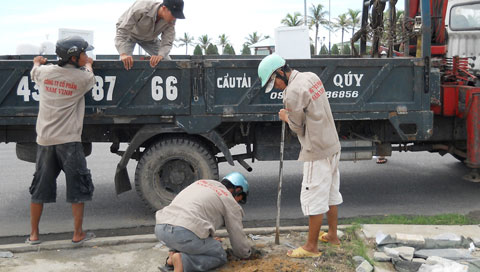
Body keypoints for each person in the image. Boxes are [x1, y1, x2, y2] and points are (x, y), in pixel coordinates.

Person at [258, 54, 343, 258]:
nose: (276, 87)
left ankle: (311, 247)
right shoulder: (311, 77)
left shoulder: (292, 92)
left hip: (316, 150)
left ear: (280, 72)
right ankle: (332, 235)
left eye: (274, 81)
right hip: (331, 143)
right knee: (330, 192)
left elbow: (297, 126)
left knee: (314, 196)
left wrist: (285, 116)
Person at [27, 36, 96, 245]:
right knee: (77, 188)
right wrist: (90, 66)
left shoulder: (44, 73)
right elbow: (90, 77)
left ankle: (34, 235)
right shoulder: (81, 79)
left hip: (45, 140)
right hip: (69, 141)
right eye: (84, 54)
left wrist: (37, 61)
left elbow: (35, 70)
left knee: (39, 188)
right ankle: (77, 234)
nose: (87, 56)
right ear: (73, 57)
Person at [155, 172, 252, 272]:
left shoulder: (201, 183)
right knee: (219, 254)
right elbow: (237, 235)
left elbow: (195, 213)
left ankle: (171, 258)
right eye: (240, 198)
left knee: (200, 244)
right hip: (183, 234)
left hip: (161, 229)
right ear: (238, 190)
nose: (237, 202)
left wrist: (208, 239)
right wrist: (245, 253)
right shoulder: (228, 199)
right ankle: (183, 261)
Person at [115, 0, 185, 70]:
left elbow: (167, 42)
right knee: (125, 63)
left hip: (150, 39)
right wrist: (123, 54)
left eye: (176, 16)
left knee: (166, 63)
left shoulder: (171, 20)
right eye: (173, 14)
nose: (174, 18)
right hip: (129, 35)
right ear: (164, 8)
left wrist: (160, 56)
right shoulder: (141, 8)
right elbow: (122, 32)